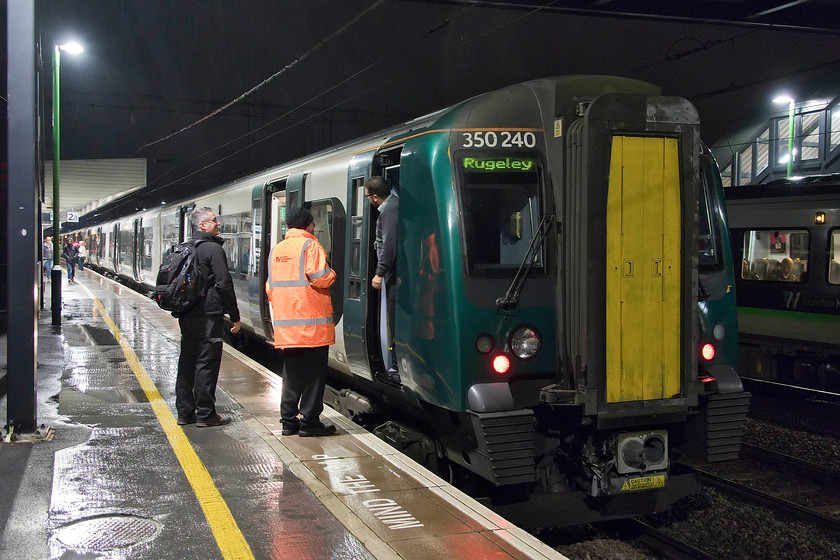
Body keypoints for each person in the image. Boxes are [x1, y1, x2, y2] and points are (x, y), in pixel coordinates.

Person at [266, 207, 337, 437]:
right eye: (313, 223)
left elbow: (270, 287)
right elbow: (321, 277)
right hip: (312, 325)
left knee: (292, 375)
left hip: (288, 326)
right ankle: (309, 423)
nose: (314, 227)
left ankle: (288, 421)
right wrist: (332, 273)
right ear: (307, 224)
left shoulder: (278, 249)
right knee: (314, 377)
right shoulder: (310, 246)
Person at [175, 207, 242, 427]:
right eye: (215, 221)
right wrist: (235, 315)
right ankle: (206, 414)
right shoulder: (213, 249)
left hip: (186, 313)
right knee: (206, 363)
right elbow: (224, 283)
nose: (218, 224)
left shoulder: (186, 247)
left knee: (186, 362)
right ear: (202, 225)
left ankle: (185, 413)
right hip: (208, 315)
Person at [364, 175, 400, 383]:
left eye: (368, 196)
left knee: (394, 317)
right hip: (394, 273)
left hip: (394, 275)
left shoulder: (389, 212)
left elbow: (389, 245)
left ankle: (395, 366)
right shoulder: (395, 207)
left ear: (375, 197)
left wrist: (379, 272)